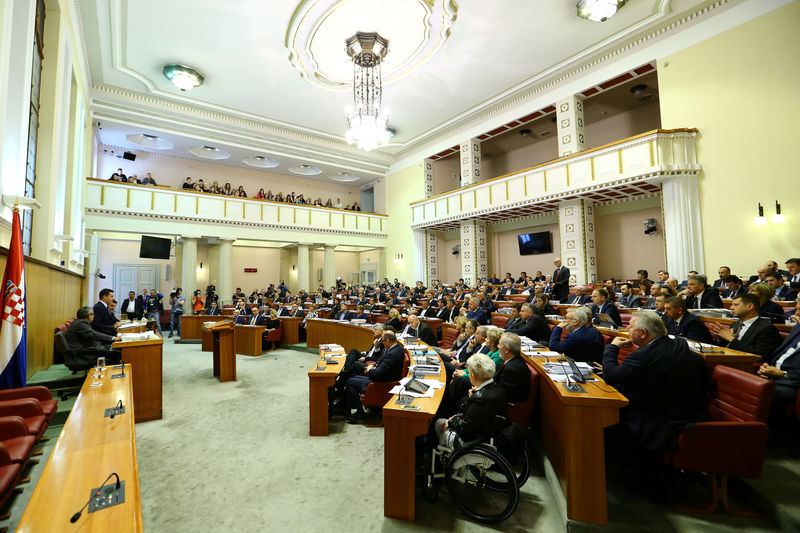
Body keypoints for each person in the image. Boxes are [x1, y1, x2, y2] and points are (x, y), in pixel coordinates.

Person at [601, 311, 708, 457]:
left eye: (631, 327)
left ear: (643, 333)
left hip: (661, 421)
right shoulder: (678, 344)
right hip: (688, 412)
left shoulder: (643, 355)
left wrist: (612, 347)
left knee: (603, 421)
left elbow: (611, 376)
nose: (627, 330)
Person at [434, 353, 507, 448]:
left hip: (473, 441)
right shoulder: (495, 387)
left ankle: (434, 454)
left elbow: (465, 428)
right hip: (487, 433)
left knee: (438, 423)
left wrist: (451, 422)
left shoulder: (480, 398)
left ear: (472, 375)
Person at [344, 329, 406, 423]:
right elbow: (381, 365)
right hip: (380, 377)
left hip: (380, 384)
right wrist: (373, 366)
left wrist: (370, 370)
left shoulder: (392, 354)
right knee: (350, 378)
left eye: (383, 341)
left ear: (388, 341)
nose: (382, 343)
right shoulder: (397, 348)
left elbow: (378, 374)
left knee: (349, 382)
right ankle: (347, 408)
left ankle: (359, 412)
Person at [709, 294, 782, 359]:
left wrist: (731, 339)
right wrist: (720, 337)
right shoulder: (735, 324)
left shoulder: (766, 328)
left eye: (736, 305)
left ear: (750, 306)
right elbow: (727, 347)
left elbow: (761, 356)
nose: (731, 308)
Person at [757, 323, 800, 416]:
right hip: (773, 376)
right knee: (734, 381)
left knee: (757, 390)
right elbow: (781, 354)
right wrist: (767, 366)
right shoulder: (798, 327)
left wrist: (783, 374)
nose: (796, 314)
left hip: (793, 385)